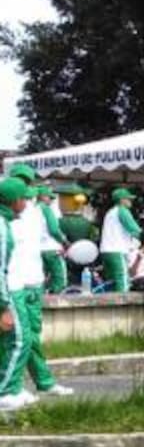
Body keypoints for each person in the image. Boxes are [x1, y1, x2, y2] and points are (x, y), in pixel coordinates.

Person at [6, 165, 70, 401]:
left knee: (31, 336)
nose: (24, 185)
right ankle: (11, 388)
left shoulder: (35, 210)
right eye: (19, 181)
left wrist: (59, 246)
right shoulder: (7, 213)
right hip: (13, 283)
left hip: (33, 280)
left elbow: (42, 240)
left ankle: (42, 382)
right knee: (18, 338)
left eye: (27, 181)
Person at [0, 178, 32, 410]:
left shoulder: (5, 222)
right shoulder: (2, 227)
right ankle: (5, 391)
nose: (26, 203)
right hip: (5, 292)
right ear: (14, 201)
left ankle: (13, 387)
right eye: (24, 198)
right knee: (19, 340)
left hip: (10, 288)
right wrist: (4, 306)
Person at [99, 187, 140, 292]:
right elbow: (134, 229)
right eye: (128, 199)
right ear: (122, 200)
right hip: (117, 250)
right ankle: (125, 302)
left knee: (111, 282)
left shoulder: (110, 212)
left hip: (105, 251)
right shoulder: (123, 211)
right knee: (123, 280)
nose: (130, 201)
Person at [36, 186, 67, 294]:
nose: (51, 200)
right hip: (52, 248)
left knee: (42, 279)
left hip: (38, 249)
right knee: (60, 280)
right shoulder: (46, 209)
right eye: (49, 197)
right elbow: (54, 230)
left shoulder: (32, 209)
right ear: (42, 197)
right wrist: (64, 241)